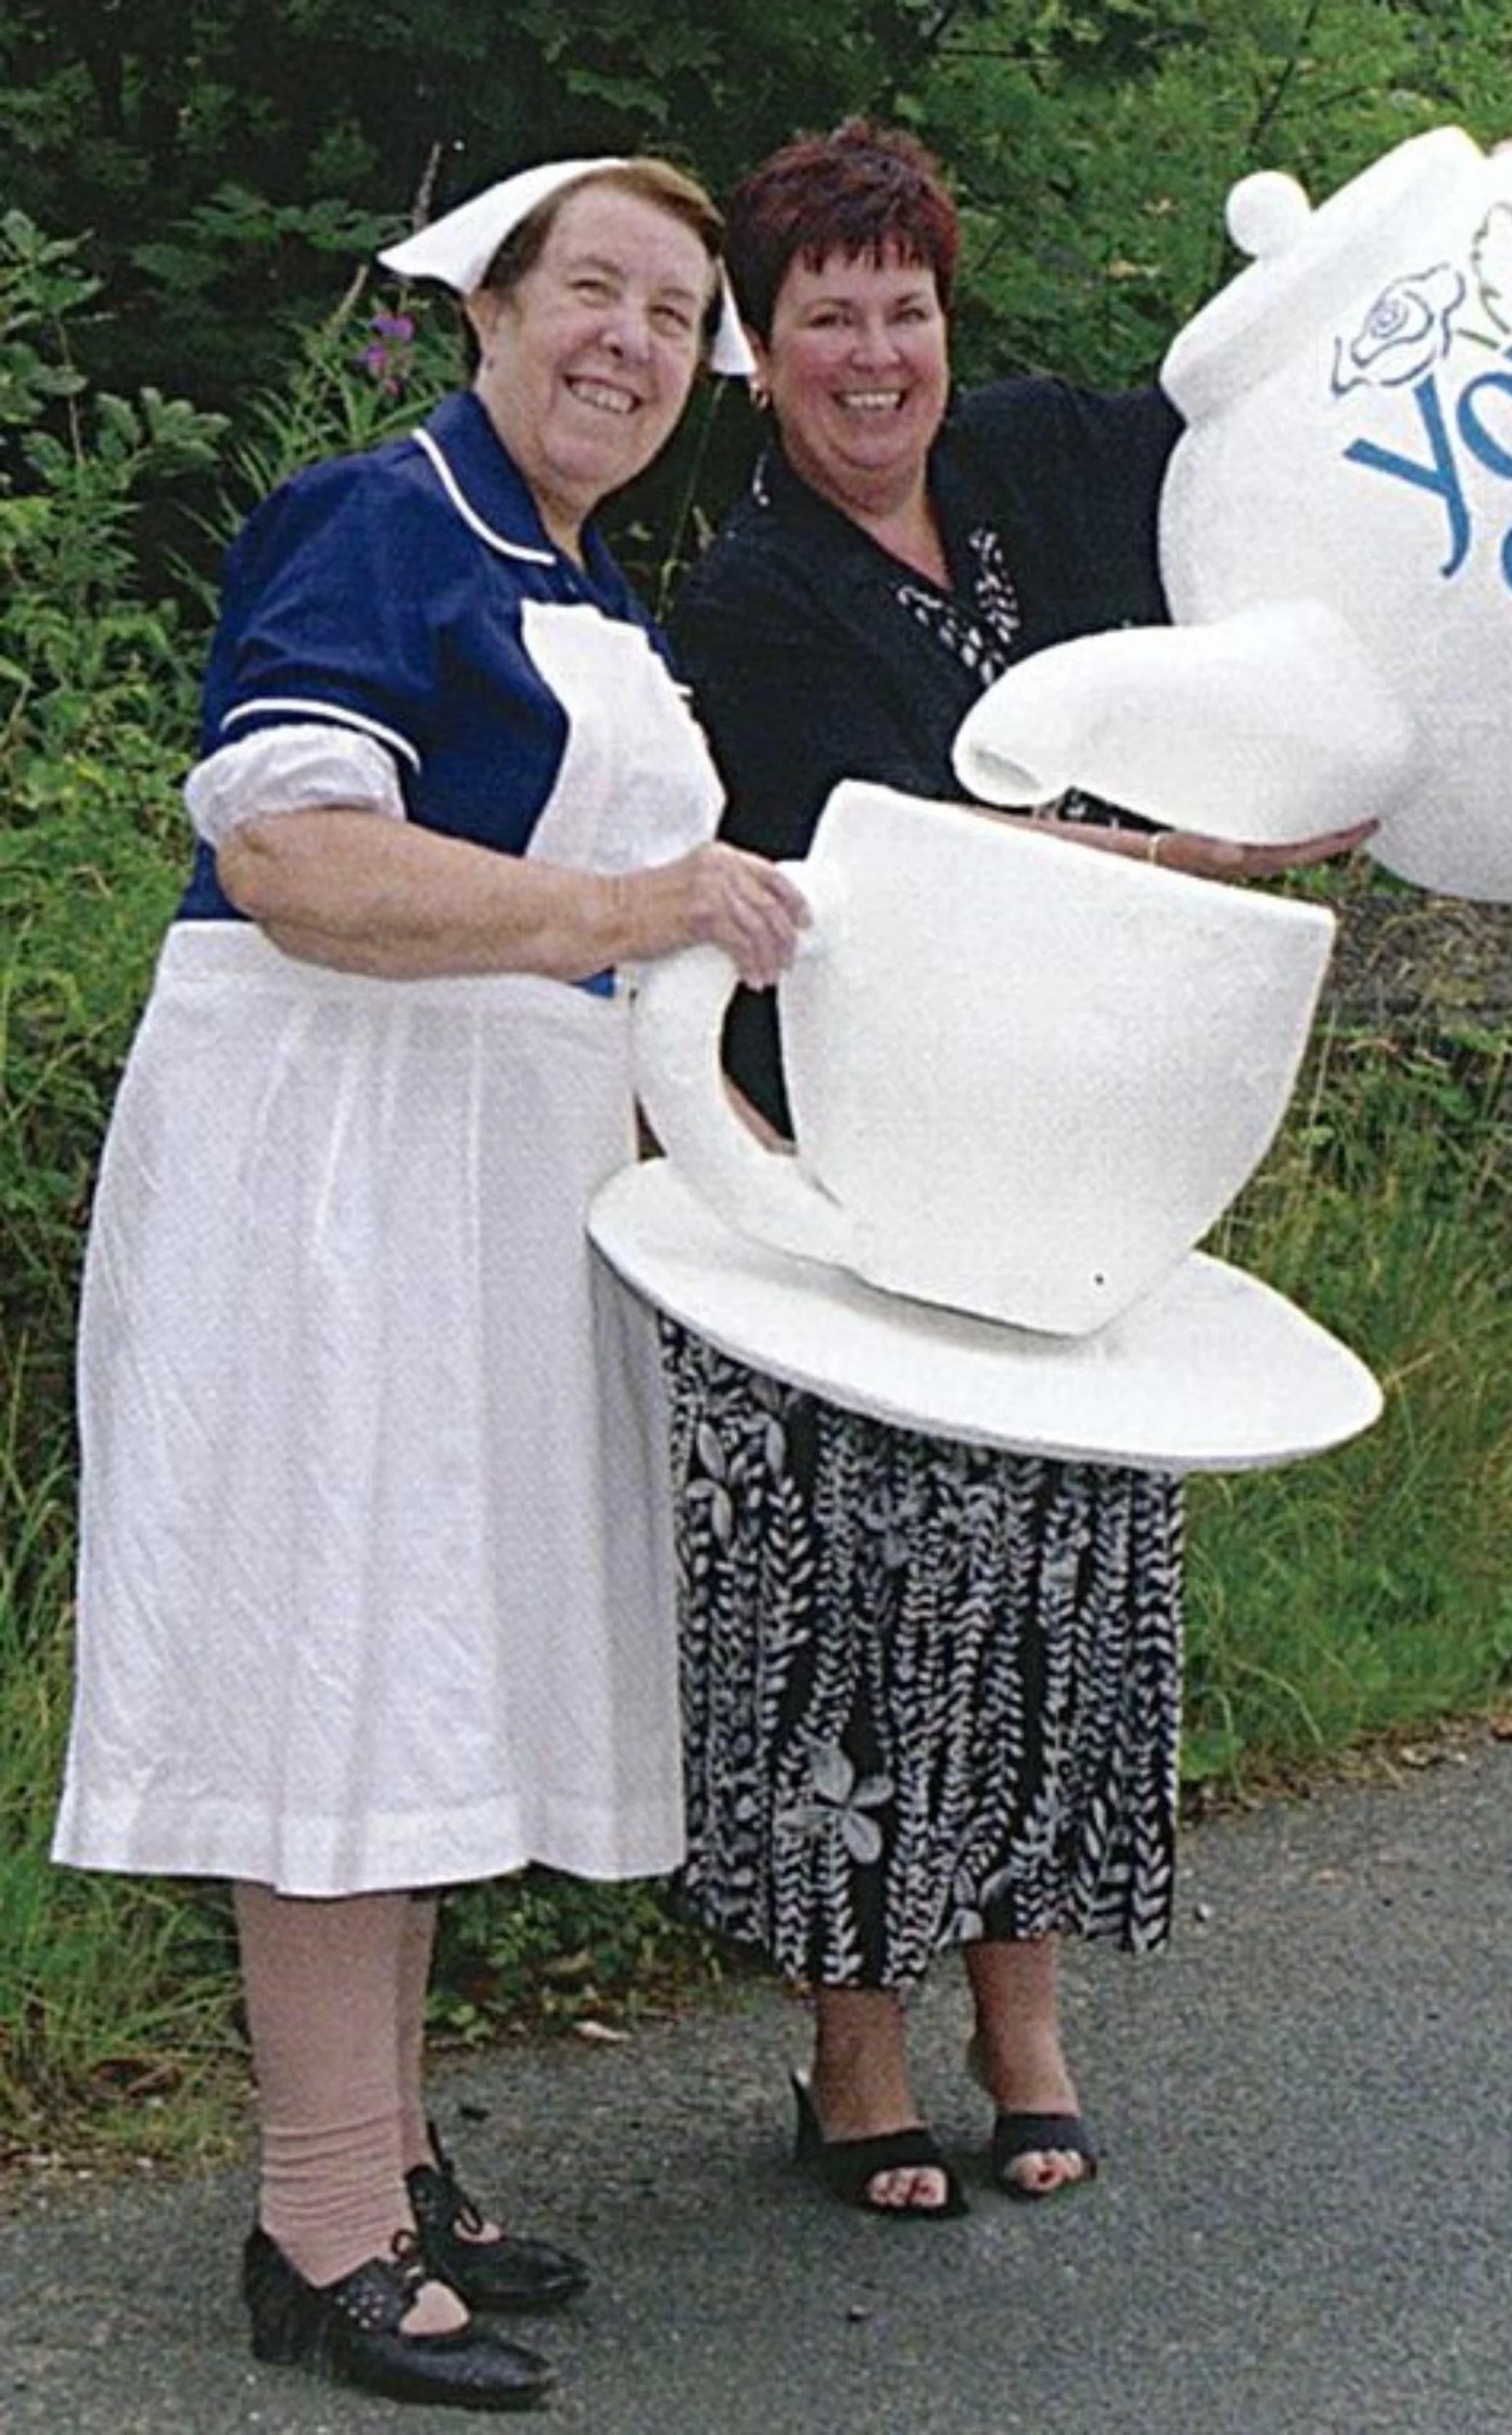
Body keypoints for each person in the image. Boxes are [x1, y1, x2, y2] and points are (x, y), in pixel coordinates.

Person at [52, 156, 804, 2408]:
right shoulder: (381, 521)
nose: (633, 343)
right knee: (338, 1660)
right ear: (487, 303)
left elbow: (620, 935)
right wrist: (640, 907)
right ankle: (315, 2219)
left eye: (679, 317)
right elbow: (289, 853)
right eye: (597, 289)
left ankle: (385, 2160)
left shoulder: (578, 576)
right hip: (330, 1165)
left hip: (480, 1164)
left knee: (422, 1661)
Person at [664, 120, 1370, 2218]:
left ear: (945, 324)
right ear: (761, 356)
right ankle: (854, 2056)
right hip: (840, 1165)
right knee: (853, 1612)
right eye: (826, 318)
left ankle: (1025, 2024)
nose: (872, 355)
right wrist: (1201, 853)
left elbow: (1268, 440)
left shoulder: (1050, 464)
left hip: (1082, 1152)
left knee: (1060, 1585)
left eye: (904, 307)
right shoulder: (752, 597)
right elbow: (907, 859)